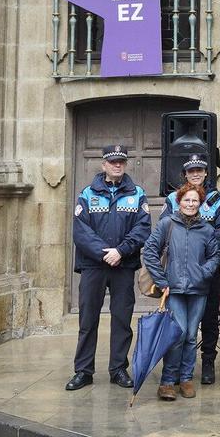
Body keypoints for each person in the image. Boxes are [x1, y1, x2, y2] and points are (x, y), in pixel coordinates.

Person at [68, 144, 147, 392]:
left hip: (123, 266)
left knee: (122, 319)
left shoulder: (137, 193)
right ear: (104, 165)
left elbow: (143, 228)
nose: (117, 165)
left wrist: (121, 251)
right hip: (94, 265)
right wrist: (106, 254)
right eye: (112, 162)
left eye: (121, 162)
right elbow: (81, 232)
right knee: (87, 319)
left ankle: (118, 369)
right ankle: (83, 371)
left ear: (125, 165)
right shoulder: (87, 193)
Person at [143, 182, 220, 402]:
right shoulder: (167, 224)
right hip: (175, 290)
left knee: (191, 335)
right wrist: (162, 280)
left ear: (200, 204)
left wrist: (204, 272)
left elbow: (215, 256)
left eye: (195, 201)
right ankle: (168, 381)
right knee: (177, 335)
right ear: (179, 202)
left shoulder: (207, 229)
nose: (190, 204)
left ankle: (187, 378)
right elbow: (150, 251)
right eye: (187, 200)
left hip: (199, 290)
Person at [167, 156, 220, 388]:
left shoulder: (216, 199)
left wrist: (205, 260)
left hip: (207, 271)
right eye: (191, 170)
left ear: (206, 174)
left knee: (209, 319)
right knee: (178, 323)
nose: (196, 174)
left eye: (200, 170)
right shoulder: (173, 200)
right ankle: (176, 369)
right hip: (179, 271)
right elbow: (166, 234)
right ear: (185, 174)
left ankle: (208, 363)